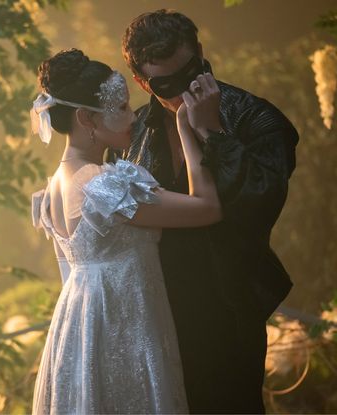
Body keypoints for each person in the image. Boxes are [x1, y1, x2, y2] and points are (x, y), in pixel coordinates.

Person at [118, 9, 299, 414]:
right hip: (157, 304)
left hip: (228, 300)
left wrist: (212, 131)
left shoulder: (257, 118)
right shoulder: (133, 132)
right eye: (166, 84)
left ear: (200, 53)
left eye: (190, 74)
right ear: (142, 82)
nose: (183, 92)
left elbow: (261, 200)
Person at [30, 48, 223, 414]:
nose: (131, 117)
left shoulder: (54, 186)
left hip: (81, 328)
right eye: (119, 108)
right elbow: (207, 208)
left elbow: (69, 274)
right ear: (87, 117)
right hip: (123, 328)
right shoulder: (103, 185)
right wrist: (187, 126)